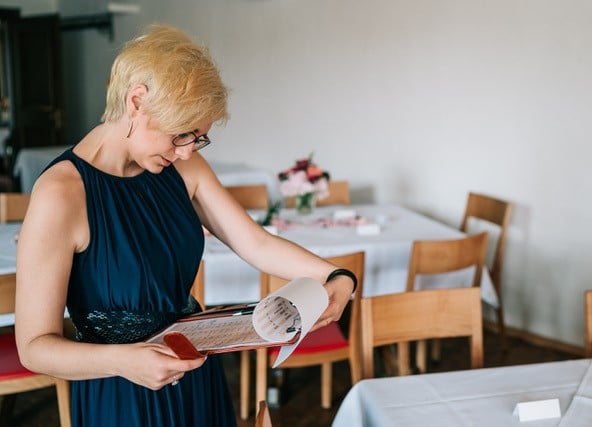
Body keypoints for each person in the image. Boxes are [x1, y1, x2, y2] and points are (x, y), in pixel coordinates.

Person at [14, 24, 355, 427]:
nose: (187, 151)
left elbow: (256, 243)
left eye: (198, 139)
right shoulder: (61, 193)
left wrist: (334, 274)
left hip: (196, 372)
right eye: (180, 135)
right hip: (121, 390)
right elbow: (34, 348)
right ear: (136, 101)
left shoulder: (183, 166)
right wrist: (124, 362)